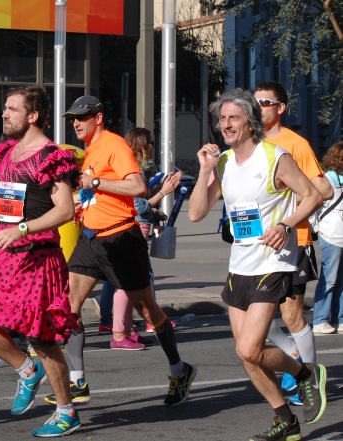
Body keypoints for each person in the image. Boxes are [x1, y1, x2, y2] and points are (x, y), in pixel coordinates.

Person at [188, 88, 327, 440]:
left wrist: (286, 225)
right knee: (247, 356)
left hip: (274, 262)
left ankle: (304, 373)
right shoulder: (222, 163)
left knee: (249, 347)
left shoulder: (275, 157)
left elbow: (312, 194)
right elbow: (196, 214)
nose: (226, 125)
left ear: (250, 122)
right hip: (240, 265)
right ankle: (285, 419)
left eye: (233, 117)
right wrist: (204, 171)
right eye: (222, 119)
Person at [46, 95, 196, 407]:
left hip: (121, 239)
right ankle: (78, 383)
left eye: (82, 117)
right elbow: (94, 193)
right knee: (69, 308)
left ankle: (179, 370)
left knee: (147, 311)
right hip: (90, 239)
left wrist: (95, 181)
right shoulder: (90, 150)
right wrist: (75, 207)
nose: (76, 122)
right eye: (72, 118)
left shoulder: (114, 145)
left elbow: (138, 187)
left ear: (97, 118)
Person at [0, 86, 82, 438]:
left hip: (39, 256)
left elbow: (66, 209)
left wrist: (23, 229)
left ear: (33, 116)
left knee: (41, 337)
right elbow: (8, 206)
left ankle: (66, 411)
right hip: (7, 253)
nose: (4, 114)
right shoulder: (8, 152)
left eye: (12, 109)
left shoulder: (49, 155)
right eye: (5, 108)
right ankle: (27, 371)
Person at [254, 81, 333, 405]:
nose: (259, 108)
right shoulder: (252, 143)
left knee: (291, 317)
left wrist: (291, 207)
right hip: (257, 245)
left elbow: (323, 189)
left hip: (293, 242)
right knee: (253, 318)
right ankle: (298, 361)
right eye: (254, 101)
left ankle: (310, 376)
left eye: (265, 102)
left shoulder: (294, 144)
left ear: (280, 108)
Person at [110, 128, 181, 350]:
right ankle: (119, 333)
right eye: (150, 142)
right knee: (128, 282)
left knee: (133, 280)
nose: (153, 146)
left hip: (133, 226)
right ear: (143, 145)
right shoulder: (136, 169)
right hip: (133, 227)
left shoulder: (137, 168)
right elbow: (139, 205)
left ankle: (128, 329)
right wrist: (163, 192)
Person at [312, 142, 343, 334]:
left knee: (340, 280)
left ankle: (339, 318)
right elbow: (310, 204)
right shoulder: (327, 180)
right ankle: (320, 319)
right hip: (331, 236)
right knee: (329, 279)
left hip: (339, 235)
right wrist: (318, 228)